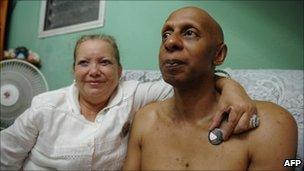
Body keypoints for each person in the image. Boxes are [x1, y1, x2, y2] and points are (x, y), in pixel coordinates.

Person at [1, 34, 256, 170]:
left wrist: (229, 86)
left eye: (104, 62)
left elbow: (189, 84)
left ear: (120, 71)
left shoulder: (134, 95)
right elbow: (5, 157)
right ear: (73, 71)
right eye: (84, 63)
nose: (94, 71)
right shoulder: (45, 106)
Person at [123, 6, 298, 170]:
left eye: (190, 33)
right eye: (166, 35)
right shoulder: (144, 120)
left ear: (219, 54)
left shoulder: (271, 125)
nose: (170, 42)